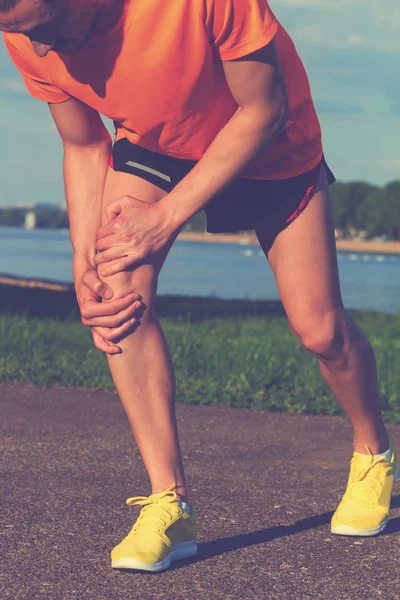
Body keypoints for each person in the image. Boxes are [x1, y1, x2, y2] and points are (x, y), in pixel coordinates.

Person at [1, 0, 397, 573]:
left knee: (320, 330)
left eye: (47, 30)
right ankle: (170, 503)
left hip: (269, 149)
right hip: (157, 145)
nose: (37, 49)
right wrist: (81, 259)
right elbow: (85, 146)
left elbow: (264, 110)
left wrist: (165, 221)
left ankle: (373, 453)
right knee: (116, 295)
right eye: (21, 35)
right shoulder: (24, 31)